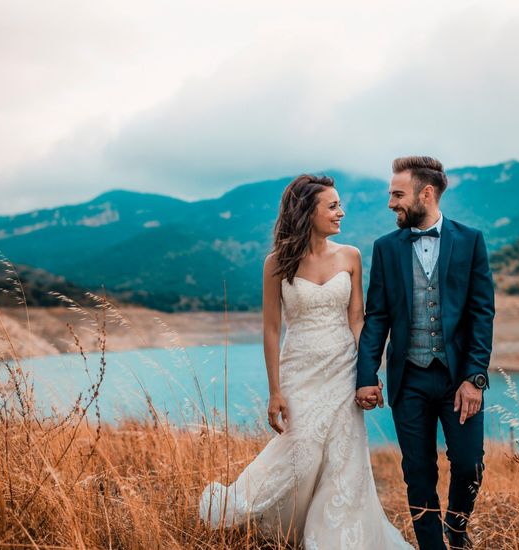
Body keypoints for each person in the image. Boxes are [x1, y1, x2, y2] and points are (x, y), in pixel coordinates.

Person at [199, 174, 412, 549]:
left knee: (343, 459)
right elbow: (270, 330)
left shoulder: (351, 256)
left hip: (344, 369)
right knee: (299, 452)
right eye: (332, 206)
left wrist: (369, 373)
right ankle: (266, 519)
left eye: (339, 204)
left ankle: (334, 538)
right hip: (299, 371)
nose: (341, 212)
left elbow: (357, 320)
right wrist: (274, 391)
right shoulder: (276, 263)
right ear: (306, 211)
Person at [355, 156, 495, 550]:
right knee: (418, 473)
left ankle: (456, 524)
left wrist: (474, 378)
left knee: (469, 465)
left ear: (426, 193)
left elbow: (482, 313)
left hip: (458, 380)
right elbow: (377, 317)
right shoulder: (385, 249)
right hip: (409, 380)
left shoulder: (471, 241)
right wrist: (366, 375)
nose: (390, 203)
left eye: (398, 194)